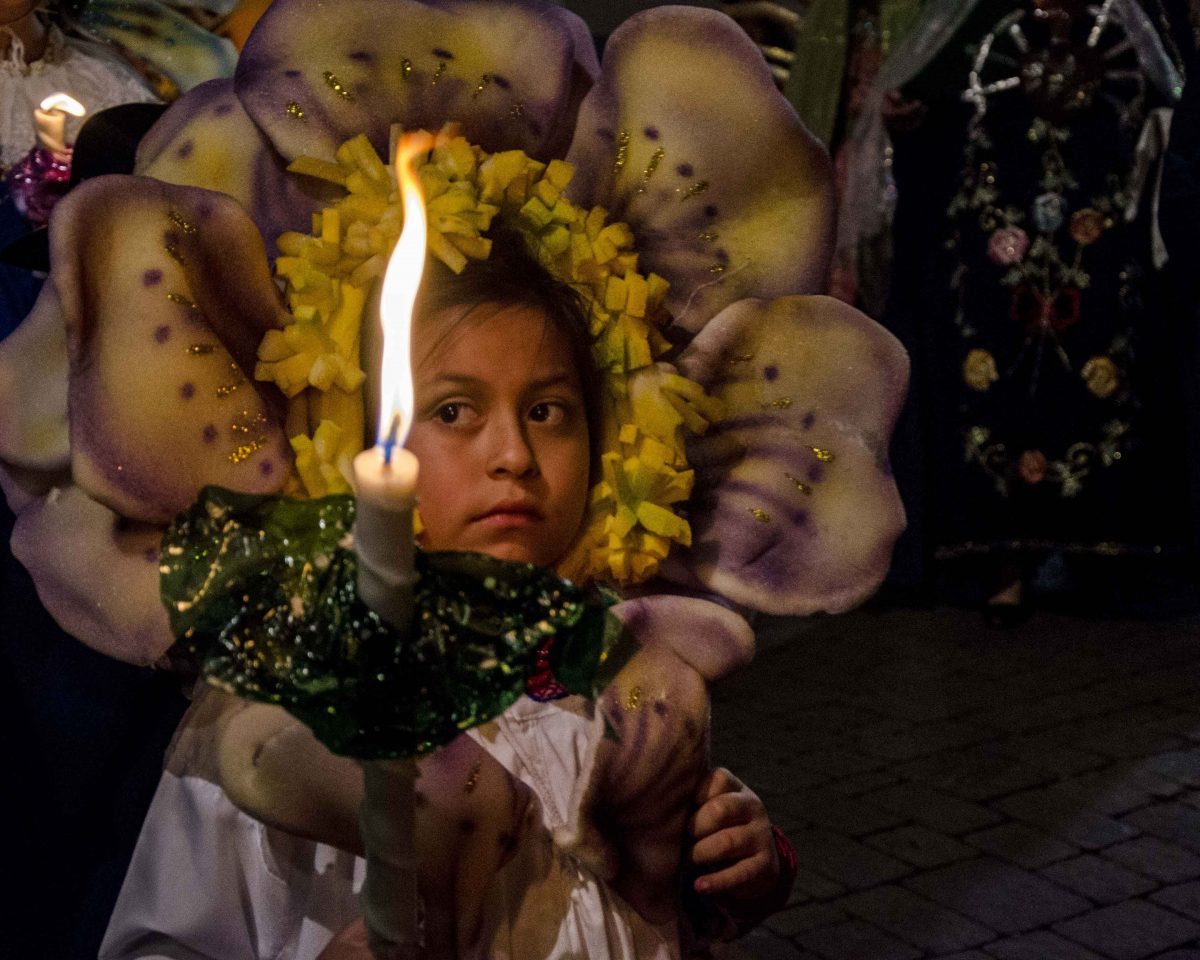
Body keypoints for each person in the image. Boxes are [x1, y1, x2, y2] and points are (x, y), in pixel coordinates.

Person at [99, 232, 797, 960]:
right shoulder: (286, 713)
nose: (514, 456)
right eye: (455, 411)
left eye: (548, 410)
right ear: (358, 442)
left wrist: (731, 860)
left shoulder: (623, 660)